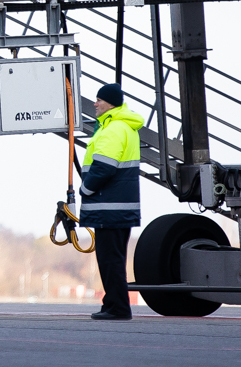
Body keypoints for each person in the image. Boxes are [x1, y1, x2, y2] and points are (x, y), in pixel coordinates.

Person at [79, 83, 143, 321]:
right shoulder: (121, 127)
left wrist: (85, 189)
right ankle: (112, 303)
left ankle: (117, 307)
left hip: (110, 206)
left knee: (110, 260)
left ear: (110, 104)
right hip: (116, 206)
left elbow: (104, 167)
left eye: (99, 100)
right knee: (111, 259)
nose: (95, 104)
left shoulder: (114, 129)